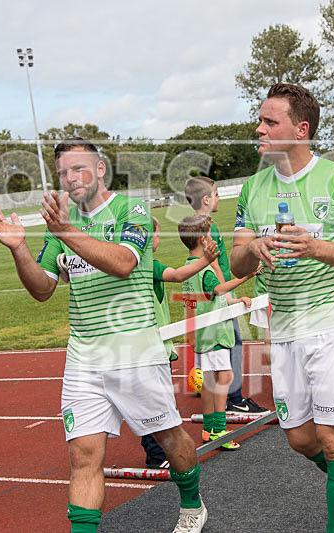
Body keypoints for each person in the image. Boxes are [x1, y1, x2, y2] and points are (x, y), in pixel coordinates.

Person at [0, 137, 207, 533]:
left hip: (135, 351)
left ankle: (192, 502)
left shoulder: (130, 209)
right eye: (63, 173)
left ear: (100, 169)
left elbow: (123, 262)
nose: (70, 179)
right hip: (84, 358)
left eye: (78, 169)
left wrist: (67, 231)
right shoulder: (61, 229)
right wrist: (18, 249)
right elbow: (42, 289)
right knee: (84, 457)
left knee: (171, 439)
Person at [231, 82, 334, 533]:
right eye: (259, 120)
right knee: (300, 438)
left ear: (300, 130)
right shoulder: (253, 188)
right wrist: (254, 247)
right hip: (282, 327)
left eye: (269, 121)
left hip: (332, 322)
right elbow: (237, 259)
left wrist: (316, 247)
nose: (258, 129)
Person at [184, 176, 270, 415]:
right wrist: (230, 293)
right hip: (219, 298)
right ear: (206, 199)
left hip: (219, 296)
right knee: (231, 343)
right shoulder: (207, 230)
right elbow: (214, 266)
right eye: (217, 193)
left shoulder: (202, 225)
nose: (219, 198)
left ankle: (225, 396)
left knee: (224, 345)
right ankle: (233, 398)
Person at [141, 215, 219, 469]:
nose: (158, 239)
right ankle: (156, 453)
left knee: (154, 399)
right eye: (156, 235)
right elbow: (176, 275)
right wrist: (207, 260)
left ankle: (158, 449)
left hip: (156, 344)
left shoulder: (147, 264)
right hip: (151, 345)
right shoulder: (146, 264)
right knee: (153, 401)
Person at [179, 214, 253, 449]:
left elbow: (203, 300)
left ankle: (208, 428)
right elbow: (218, 290)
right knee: (225, 377)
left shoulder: (188, 268)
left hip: (203, 333)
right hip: (215, 333)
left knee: (210, 380)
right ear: (203, 240)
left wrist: (235, 301)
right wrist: (247, 276)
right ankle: (219, 431)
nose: (212, 238)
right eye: (209, 234)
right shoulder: (205, 271)